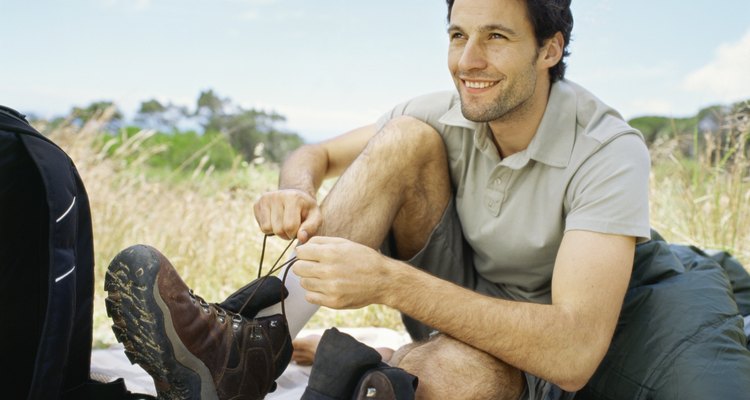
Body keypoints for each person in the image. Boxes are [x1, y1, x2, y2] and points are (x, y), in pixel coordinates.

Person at [106, 0, 652, 399]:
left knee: (454, 377)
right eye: (458, 35)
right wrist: (297, 193)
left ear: (549, 49)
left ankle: (377, 371)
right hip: (447, 295)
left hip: (532, 355)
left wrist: (388, 283)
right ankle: (248, 349)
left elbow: (575, 355)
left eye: (496, 37)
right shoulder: (444, 109)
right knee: (405, 137)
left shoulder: (609, 151)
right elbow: (313, 153)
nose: (469, 60)